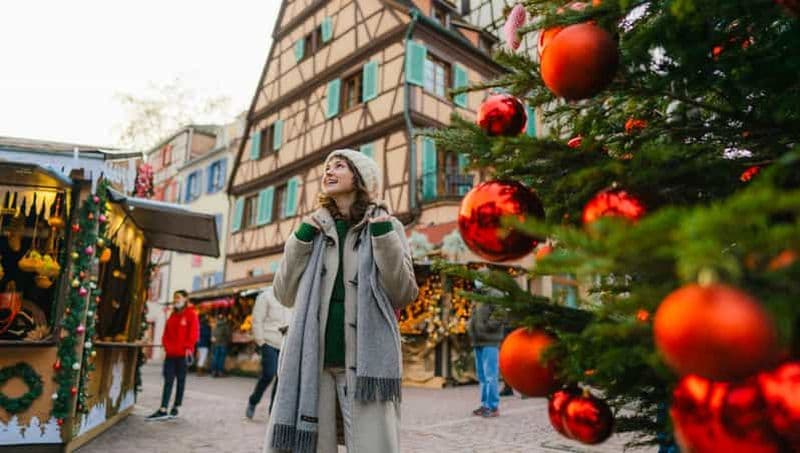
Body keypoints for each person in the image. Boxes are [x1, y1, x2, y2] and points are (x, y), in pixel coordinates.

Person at [264, 149, 418, 453]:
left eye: (339, 166)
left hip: (365, 368)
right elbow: (283, 293)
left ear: (359, 178)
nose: (328, 172)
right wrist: (301, 240)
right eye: (327, 168)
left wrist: (384, 239)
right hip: (314, 363)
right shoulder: (313, 230)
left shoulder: (388, 225)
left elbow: (404, 293)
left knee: (371, 447)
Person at [146, 289, 199, 421]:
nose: (176, 300)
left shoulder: (191, 314)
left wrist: (188, 348)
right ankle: (163, 408)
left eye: (179, 297)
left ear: (185, 299)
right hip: (171, 354)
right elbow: (166, 333)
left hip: (183, 355)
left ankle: (176, 406)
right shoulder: (172, 315)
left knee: (181, 381)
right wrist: (167, 346)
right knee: (168, 380)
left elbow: (193, 334)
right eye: (175, 298)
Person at [246, 286, 292, 419]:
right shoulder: (265, 296)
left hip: (286, 343)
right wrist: (260, 341)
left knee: (281, 378)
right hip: (269, 342)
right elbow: (257, 319)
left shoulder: (292, 295)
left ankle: (273, 412)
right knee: (269, 373)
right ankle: (253, 401)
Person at [467, 280, 504, 418]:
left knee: (490, 375)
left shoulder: (495, 294)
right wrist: (470, 328)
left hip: (490, 340)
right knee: (482, 376)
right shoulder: (478, 295)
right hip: (478, 341)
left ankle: (493, 407)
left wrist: (485, 327)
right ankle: (485, 405)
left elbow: (500, 314)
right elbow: (473, 316)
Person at [211, 312, 231, 377]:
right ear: (224, 318)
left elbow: (212, 335)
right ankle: (220, 372)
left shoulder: (214, 325)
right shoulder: (225, 325)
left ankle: (214, 371)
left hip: (216, 344)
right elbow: (228, 334)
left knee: (215, 357)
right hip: (223, 343)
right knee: (221, 358)